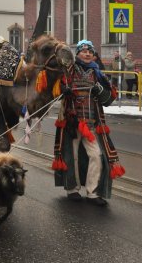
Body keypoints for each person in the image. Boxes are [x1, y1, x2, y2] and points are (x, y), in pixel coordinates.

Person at [53, 39, 125, 206]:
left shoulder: (98, 73)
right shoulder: (68, 70)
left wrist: (99, 90)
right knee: (72, 157)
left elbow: (109, 99)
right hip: (71, 122)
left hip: (92, 123)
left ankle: (93, 192)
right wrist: (63, 90)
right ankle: (72, 189)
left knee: (97, 156)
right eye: (84, 51)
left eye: (90, 52)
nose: (87, 54)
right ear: (77, 53)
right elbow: (56, 88)